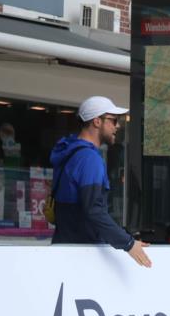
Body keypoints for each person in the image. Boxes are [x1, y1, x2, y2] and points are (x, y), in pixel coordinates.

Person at [50, 96, 151, 267]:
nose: (117, 126)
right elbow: (94, 210)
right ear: (97, 121)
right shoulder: (89, 158)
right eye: (113, 120)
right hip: (83, 255)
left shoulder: (71, 153)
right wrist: (128, 243)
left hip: (64, 247)